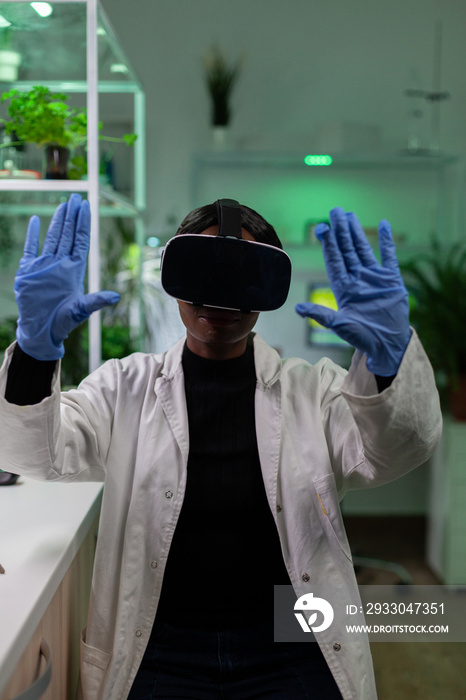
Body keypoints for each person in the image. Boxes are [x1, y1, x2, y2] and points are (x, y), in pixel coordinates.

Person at [0, 194, 441, 700]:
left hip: (292, 640)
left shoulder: (313, 391)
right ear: (176, 282)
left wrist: (389, 360)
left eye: (239, 278)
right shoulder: (125, 387)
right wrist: (34, 353)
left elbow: (397, 448)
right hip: (160, 645)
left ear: (264, 289)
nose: (220, 299)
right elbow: (32, 454)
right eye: (203, 274)